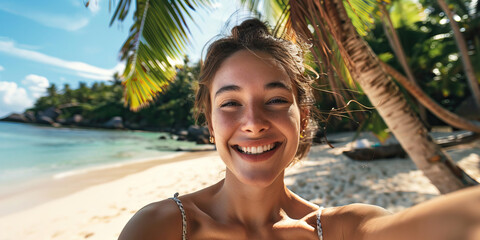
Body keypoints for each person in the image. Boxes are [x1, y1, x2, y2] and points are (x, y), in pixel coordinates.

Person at [118, 18, 480, 240]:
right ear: (211, 126)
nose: (254, 122)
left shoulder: (345, 229)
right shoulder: (160, 228)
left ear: (303, 118)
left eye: (275, 100)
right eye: (230, 103)